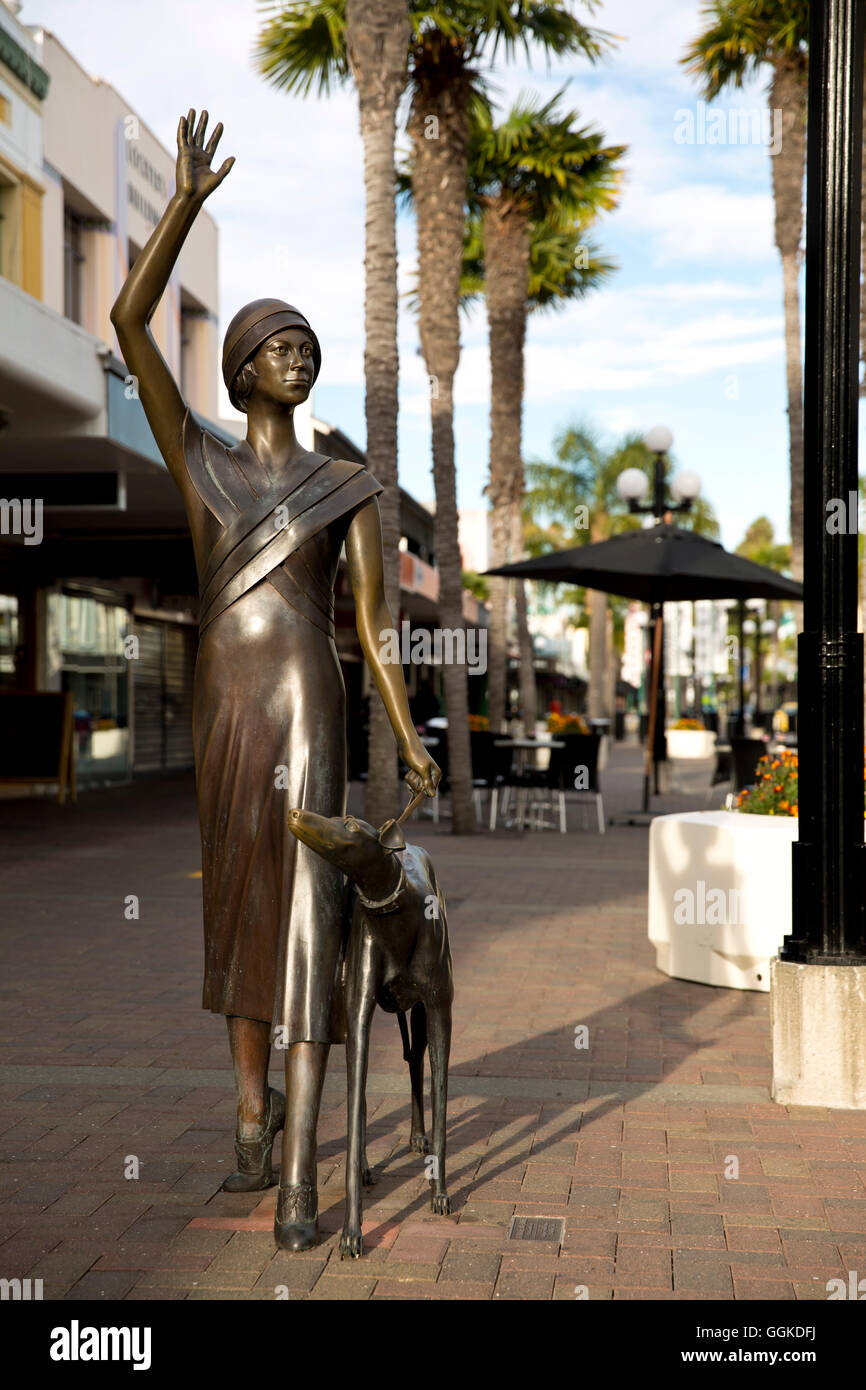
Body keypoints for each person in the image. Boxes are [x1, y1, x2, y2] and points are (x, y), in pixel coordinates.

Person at [110, 111, 439, 1252]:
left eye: (308, 344)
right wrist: (184, 205)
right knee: (241, 909)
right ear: (240, 366)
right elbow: (125, 321)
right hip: (223, 704)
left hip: (311, 702)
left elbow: (371, 626)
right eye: (277, 343)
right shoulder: (194, 455)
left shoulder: (343, 486)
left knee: (308, 915)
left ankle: (297, 1177)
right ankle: (250, 1113)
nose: (297, 354)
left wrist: (405, 729)